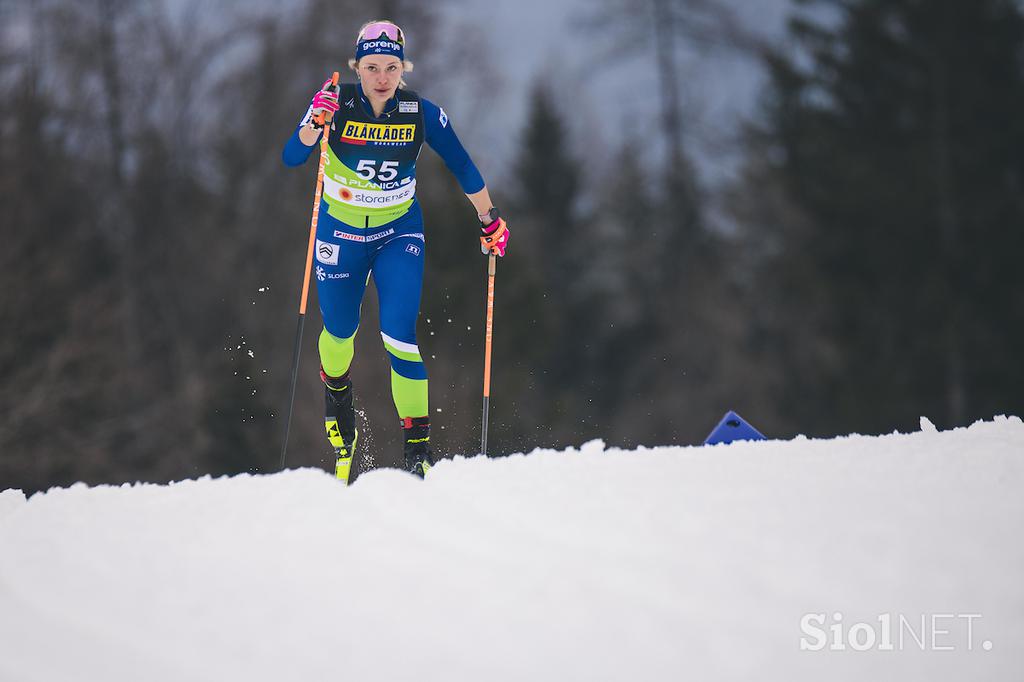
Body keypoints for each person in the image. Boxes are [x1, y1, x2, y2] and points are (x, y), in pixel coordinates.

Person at [282, 20, 509, 483]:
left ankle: (417, 453)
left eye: (391, 67)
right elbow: (291, 156)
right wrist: (312, 125)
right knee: (339, 334)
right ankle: (337, 397)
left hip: (397, 232)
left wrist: (489, 219)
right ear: (357, 68)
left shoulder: (419, 112)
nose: (381, 77)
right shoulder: (335, 103)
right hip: (340, 233)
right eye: (371, 67)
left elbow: (461, 163)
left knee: (399, 336)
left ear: (402, 68)